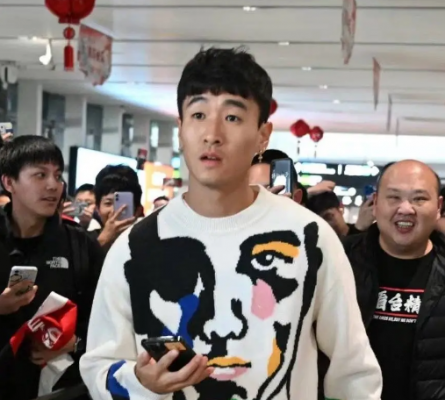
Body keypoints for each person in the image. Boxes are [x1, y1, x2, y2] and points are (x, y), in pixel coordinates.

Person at [80, 47, 382, 400]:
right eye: (198, 114)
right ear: (180, 129)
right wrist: (140, 382)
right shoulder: (135, 246)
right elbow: (99, 366)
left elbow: (353, 371)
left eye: (233, 117)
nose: (212, 133)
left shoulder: (309, 237)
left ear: (263, 135)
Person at [0, 136, 104, 400]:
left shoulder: (80, 245)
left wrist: (73, 343)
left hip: (63, 388)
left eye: (57, 176)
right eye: (40, 175)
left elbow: (107, 320)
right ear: (9, 182)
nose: (53, 185)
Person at [344, 160, 445, 400]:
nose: (406, 208)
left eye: (419, 199)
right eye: (394, 197)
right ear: (376, 203)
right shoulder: (338, 259)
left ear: (439, 207)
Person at [89, 165, 143, 250]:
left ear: (137, 211)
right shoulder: (84, 240)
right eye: (108, 203)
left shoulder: (146, 243)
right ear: (97, 209)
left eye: (123, 204)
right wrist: (102, 241)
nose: (115, 211)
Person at [307, 190, 374, 237]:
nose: (326, 224)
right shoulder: (318, 245)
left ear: (341, 208)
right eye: (319, 222)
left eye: (329, 217)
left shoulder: (367, 234)